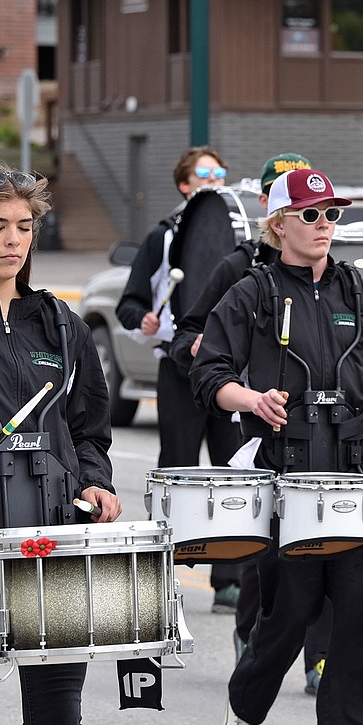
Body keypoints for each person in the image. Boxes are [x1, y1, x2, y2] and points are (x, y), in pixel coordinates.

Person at [170, 153, 363, 693]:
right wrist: (252, 401)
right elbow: (208, 374)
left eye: (332, 215)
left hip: (349, 471)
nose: (325, 226)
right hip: (280, 469)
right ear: (278, 225)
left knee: (354, 619)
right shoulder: (251, 290)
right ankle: (247, 706)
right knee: (287, 614)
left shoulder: (357, 292)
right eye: (311, 215)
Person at [0, 163, 122, 725]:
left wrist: (97, 483)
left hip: (53, 552)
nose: (14, 240)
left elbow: (87, 428)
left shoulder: (62, 325)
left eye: (25, 226)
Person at [116, 145, 245, 612]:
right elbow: (127, 303)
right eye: (204, 173)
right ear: (184, 184)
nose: (214, 179)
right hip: (179, 366)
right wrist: (144, 320)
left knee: (235, 473)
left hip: (229, 367)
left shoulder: (239, 234)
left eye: (220, 172)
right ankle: (163, 576)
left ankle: (229, 580)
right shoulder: (163, 237)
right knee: (178, 470)